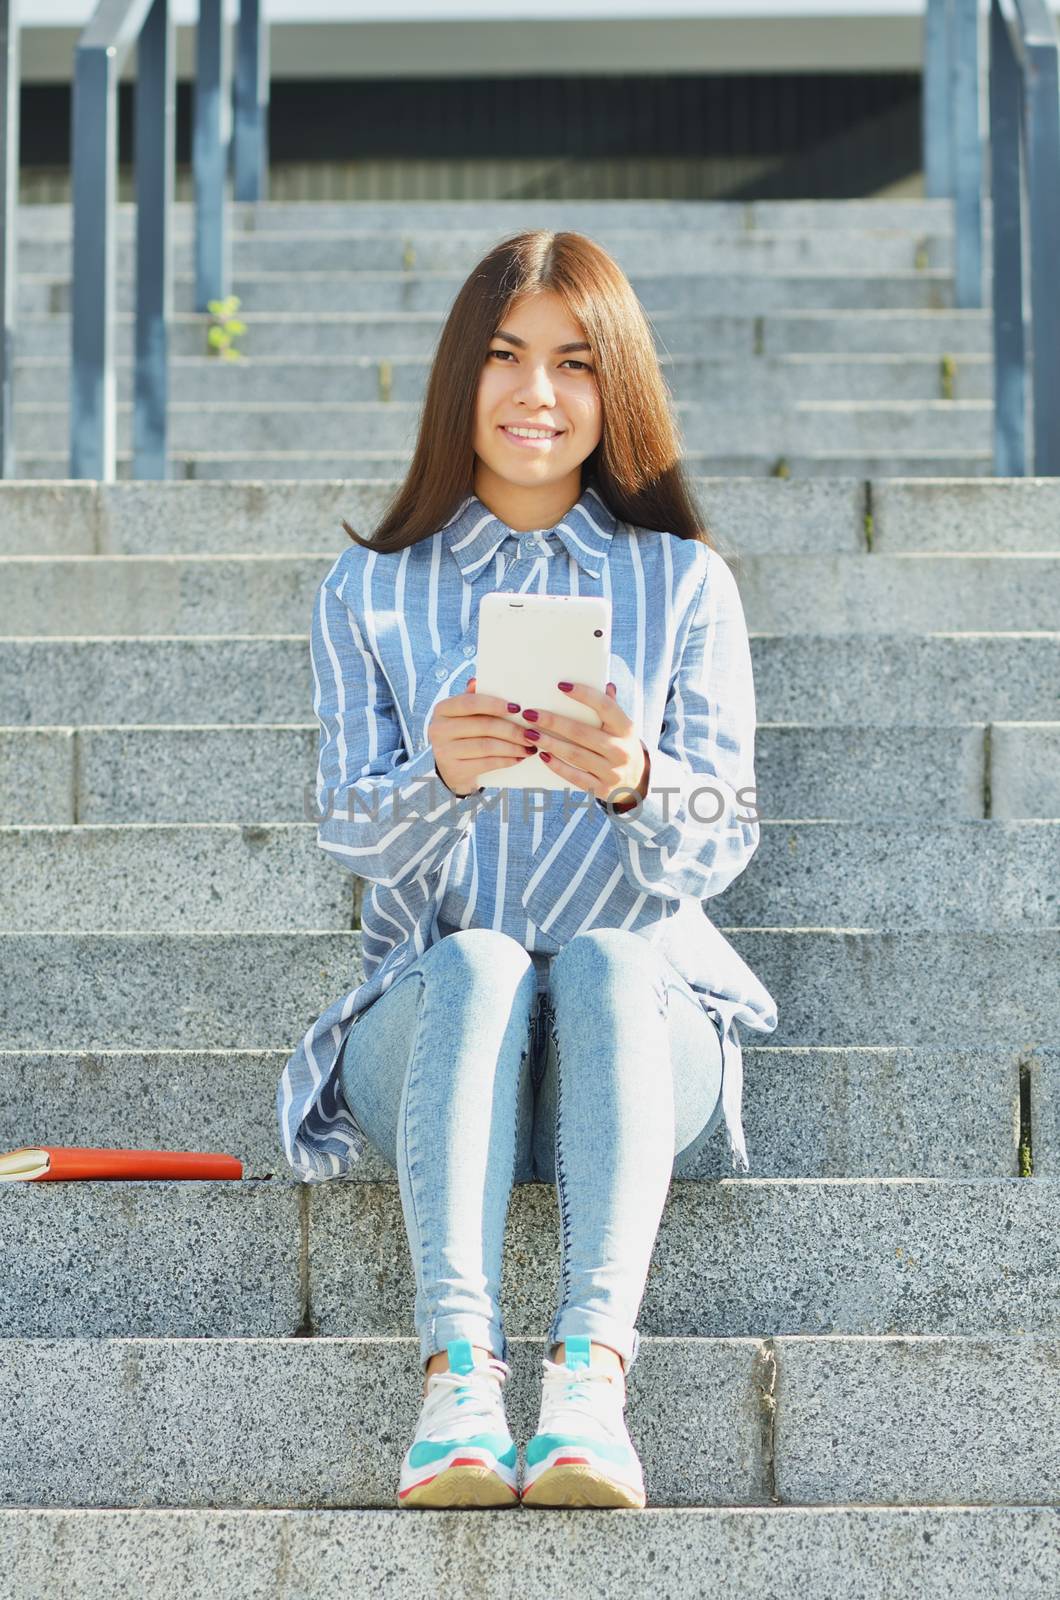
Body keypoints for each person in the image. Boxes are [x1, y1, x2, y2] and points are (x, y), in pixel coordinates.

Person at [276, 228, 778, 1512]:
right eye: (504, 357)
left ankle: (589, 1385)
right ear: (462, 378)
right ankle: (457, 1379)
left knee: (612, 953)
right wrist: (435, 776)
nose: (537, 394)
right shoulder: (369, 590)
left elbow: (724, 832)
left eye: (573, 362)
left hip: (640, 1034)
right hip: (438, 1030)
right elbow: (348, 833)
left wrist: (636, 779)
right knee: (483, 959)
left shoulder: (685, 582)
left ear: (617, 390)